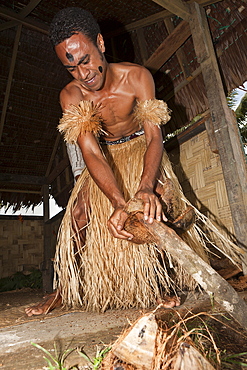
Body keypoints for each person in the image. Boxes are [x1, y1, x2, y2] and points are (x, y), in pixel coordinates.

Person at [25, 7, 239, 316]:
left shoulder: (137, 77)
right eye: (71, 68)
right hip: (105, 159)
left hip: (142, 150)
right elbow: (92, 152)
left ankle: (161, 282)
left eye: (86, 61)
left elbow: (155, 138)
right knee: (78, 215)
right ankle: (64, 287)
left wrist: (144, 189)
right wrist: (117, 202)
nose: (83, 74)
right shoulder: (71, 96)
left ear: (100, 43)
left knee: (160, 204)